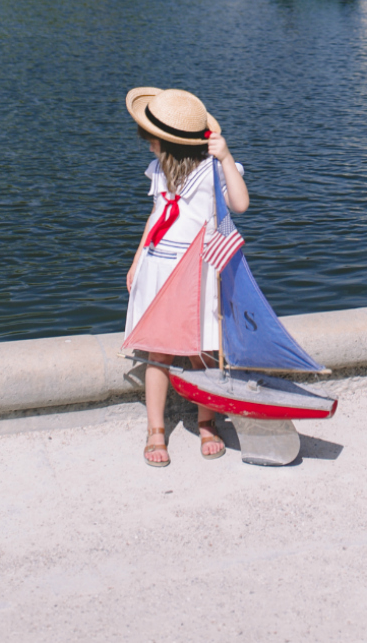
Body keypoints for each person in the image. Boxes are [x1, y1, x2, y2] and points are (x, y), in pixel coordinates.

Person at [122, 86, 249, 468]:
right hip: (159, 265)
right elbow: (157, 215)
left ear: (171, 142)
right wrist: (137, 259)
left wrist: (226, 159)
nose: (148, 147)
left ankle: (207, 420)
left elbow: (240, 204)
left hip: (197, 269)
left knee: (202, 351)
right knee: (157, 351)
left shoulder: (211, 171)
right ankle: (155, 428)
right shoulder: (160, 169)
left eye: (152, 141)